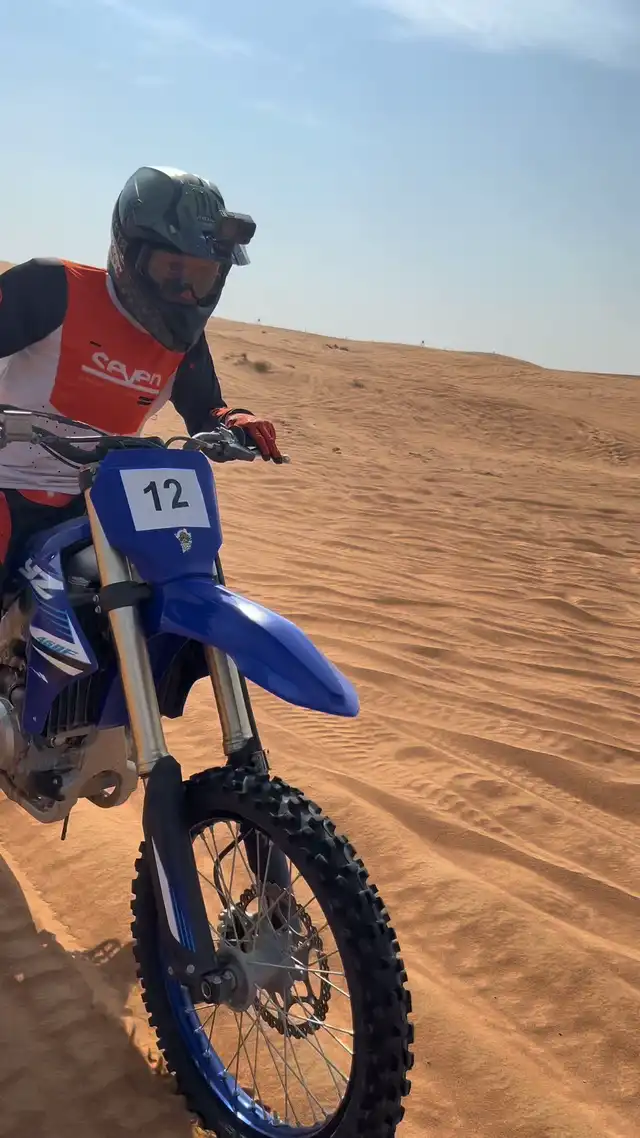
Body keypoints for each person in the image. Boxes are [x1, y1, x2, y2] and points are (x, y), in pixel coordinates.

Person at [0, 164, 281, 577]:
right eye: (174, 270)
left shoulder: (183, 341)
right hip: (9, 482)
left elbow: (206, 409)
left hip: (107, 499)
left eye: (202, 276)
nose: (187, 292)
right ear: (130, 252)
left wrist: (235, 421)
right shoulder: (52, 288)